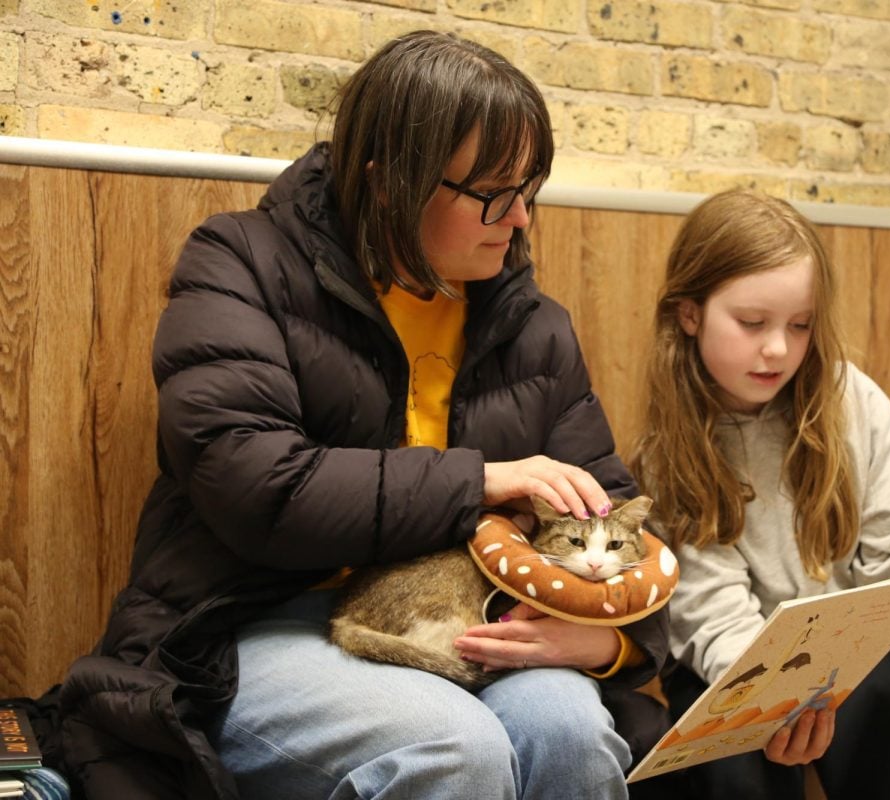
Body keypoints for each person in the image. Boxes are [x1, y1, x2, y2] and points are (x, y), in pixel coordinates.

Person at [52, 31, 669, 800]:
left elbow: (620, 518)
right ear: (390, 183)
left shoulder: (533, 323)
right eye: (492, 194)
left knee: (570, 733)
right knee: (456, 749)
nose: (519, 221)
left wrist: (606, 642)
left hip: (468, 612)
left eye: (529, 192)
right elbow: (257, 487)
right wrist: (481, 480)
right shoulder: (239, 263)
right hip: (260, 622)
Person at [630, 189, 890, 799]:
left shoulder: (850, 401)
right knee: (738, 766)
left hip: (853, 662)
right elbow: (710, 615)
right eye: (752, 323)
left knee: (883, 691)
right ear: (689, 314)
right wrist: (773, 700)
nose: (778, 348)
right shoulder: (667, 453)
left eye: (800, 325)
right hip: (732, 671)